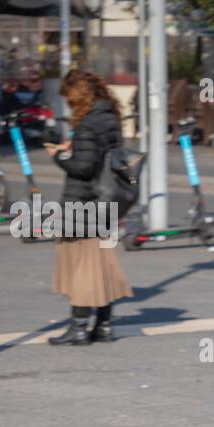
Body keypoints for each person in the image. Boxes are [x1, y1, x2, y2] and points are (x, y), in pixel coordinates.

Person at [44, 68, 133, 345]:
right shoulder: (110, 119)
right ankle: (103, 326)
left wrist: (59, 155)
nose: (68, 105)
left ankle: (79, 328)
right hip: (108, 202)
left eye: (70, 99)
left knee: (82, 268)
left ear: (78, 97)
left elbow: (82, 168)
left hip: (83, 204)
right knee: (102, 265)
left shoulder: (86, 125)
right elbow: (103, 159)